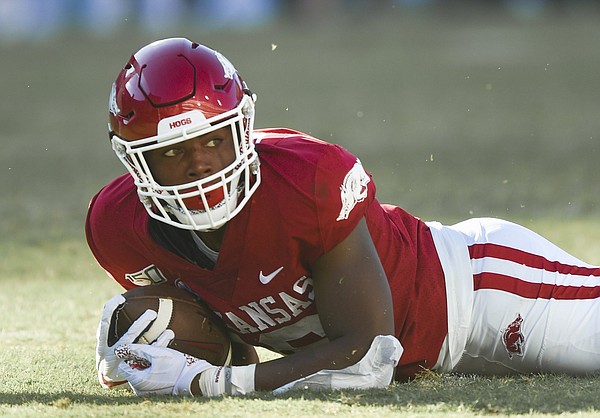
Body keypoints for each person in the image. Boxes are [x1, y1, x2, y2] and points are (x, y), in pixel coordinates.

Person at [87, 37, 600, 397]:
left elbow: (367, 355)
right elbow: (227, 338)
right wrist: (153, 356)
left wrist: (213, 385)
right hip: (421, 357)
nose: (202, 165)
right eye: (175, 151)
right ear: (137, 159)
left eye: (215, 139)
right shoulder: (118, 229)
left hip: (482, 295)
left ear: (241, 128)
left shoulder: (304, 182)